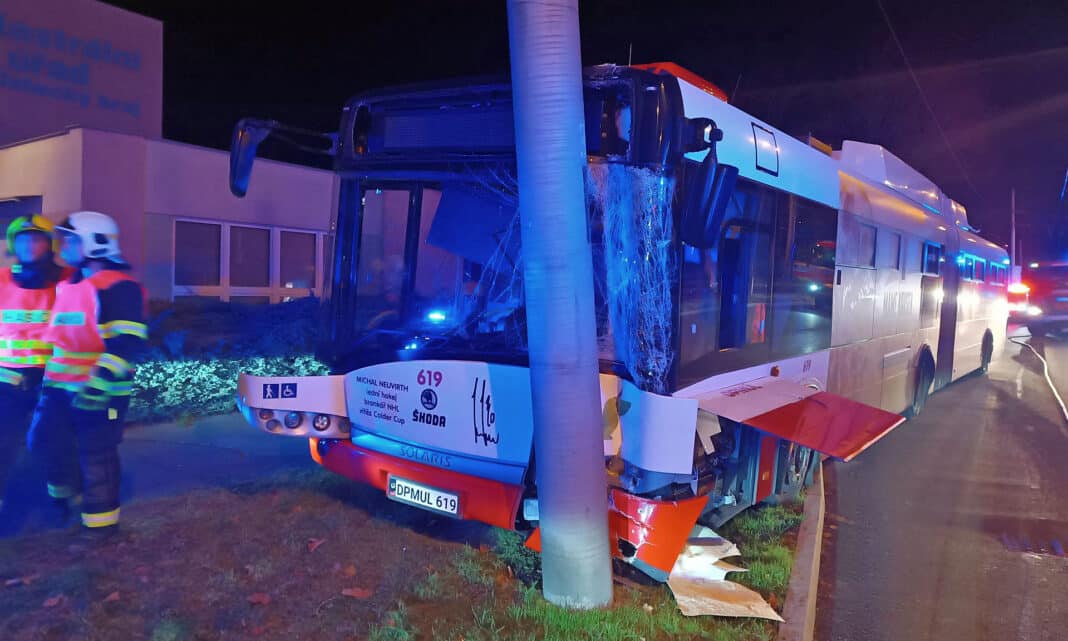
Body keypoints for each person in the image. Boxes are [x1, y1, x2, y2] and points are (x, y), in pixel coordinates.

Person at [27, 211, 147, 538]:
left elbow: (125, 344)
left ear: (95, 244)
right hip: (59, 388)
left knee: (97, 455)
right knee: (46, 443)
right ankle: (63, 506)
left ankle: (101, 528)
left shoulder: (120, 288)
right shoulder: (70, 284)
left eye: (71, 239)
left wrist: (97, 386)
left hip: (100, 389)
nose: (63, 245)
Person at [0, 216, 68, 516]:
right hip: (6, 377)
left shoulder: (66, 281)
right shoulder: (1, 279)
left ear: (48, 244)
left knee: (54, 440)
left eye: (37, 238)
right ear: (14, 244)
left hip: (50, 377)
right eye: (23, 239)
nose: (30, 244)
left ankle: (61, 497)